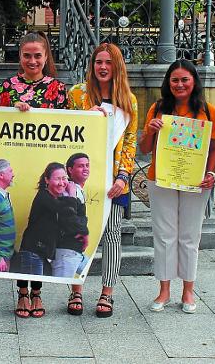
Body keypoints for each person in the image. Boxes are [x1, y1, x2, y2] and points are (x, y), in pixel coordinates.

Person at [0, 30, 68, 318]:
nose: (32, 60)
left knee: (40, 233)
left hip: (44, 174)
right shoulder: (7, 88)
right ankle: (21, 291)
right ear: (20, 57)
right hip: (15, 170)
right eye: (27, 55)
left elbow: (70, 129)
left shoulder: (58, 89)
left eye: (38, 55)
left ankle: (37, 292)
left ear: (46, 56)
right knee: (18, 232)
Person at [139, 59, 215, 314]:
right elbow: (144, 148)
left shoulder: (208, 111)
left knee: (189, 235)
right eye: (175, 80)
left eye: (185, 79)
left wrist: (211, 171)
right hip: (161, 177)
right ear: (168, 82)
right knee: (163, 234)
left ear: (194, 81)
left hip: (195, 179)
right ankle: (164, 290)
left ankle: (188, 290)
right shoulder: (158, 108)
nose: (180, 84)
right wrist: (151, 131)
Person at [66, 43, 138, 317]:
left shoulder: (128, 100)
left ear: (117, 66)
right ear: (92, 65)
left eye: (109, 62)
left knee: (112, 235)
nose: (103, 67)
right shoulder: (78, 94)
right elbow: (65, 128)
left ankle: (107, 292)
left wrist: (123, 176)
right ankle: (75, 288)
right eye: (99, 62)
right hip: (83, 175)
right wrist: (87, 118)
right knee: (77, 230)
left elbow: (130, 141)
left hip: (114, 179)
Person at [16, 162, 88, 318]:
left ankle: (35, 296)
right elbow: (67, 213)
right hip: (32, 247)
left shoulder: (61, 198)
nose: (62, 183)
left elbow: (76, 221)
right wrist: (72, 195)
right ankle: (23, 295)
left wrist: (84, 232)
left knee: (81, 264)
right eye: (57, 179)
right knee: (30, 269)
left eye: (65, 178)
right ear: (47, 180)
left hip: (47, 249)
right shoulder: (44, 196)